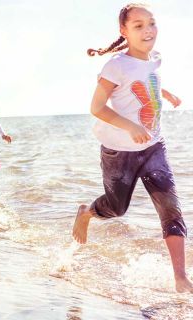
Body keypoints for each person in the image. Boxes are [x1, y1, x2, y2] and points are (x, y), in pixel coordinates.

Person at [72, 3, 192, 293]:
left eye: (151, 23)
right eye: (138, 26)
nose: (148, 30)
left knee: (171, 209)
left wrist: (165, 93)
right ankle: (86, 213)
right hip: (118, 151)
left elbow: (145, 78)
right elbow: (97, 107)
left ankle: (180, 278)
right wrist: (131, 126)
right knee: (117, 208)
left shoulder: (156, 58)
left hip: (153, 146)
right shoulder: (115, 65)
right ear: (124, 31)